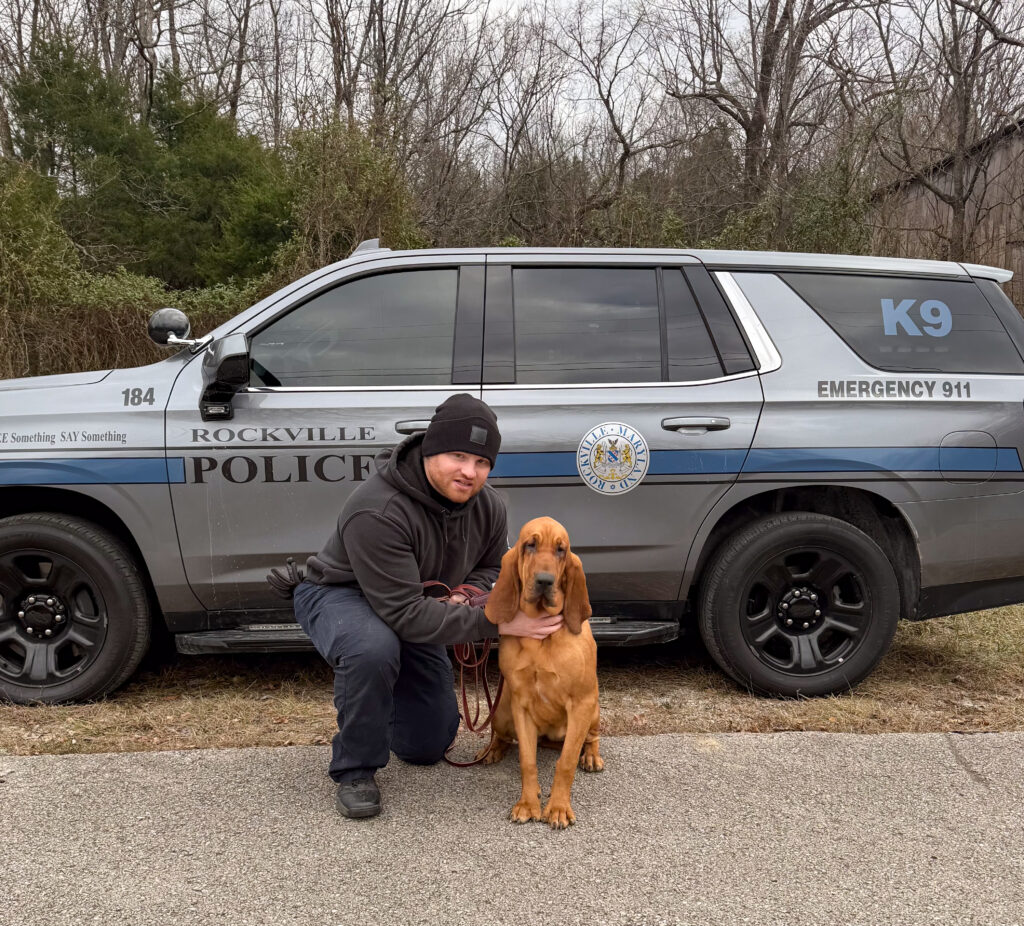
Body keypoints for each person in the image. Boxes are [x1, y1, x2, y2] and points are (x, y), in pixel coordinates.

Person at [286, 393, 563, 819]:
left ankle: (384, 695)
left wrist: (467, 594)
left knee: (426, 746)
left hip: (417, 602)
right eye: (457, 456)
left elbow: (493, 568)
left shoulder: (488, 506)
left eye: (482, 462)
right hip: (341, 594)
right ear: (430, 448)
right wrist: (501, 621)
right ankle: (355, 768)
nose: (470, 472)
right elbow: (405, 615)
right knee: (372, 648)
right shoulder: (377, 510)